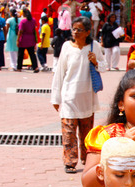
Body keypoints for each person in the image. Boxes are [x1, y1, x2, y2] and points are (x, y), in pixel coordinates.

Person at [51, 16, 107, 174]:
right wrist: (56, 98)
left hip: (87, 98)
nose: (75, 32)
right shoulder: (67, 47)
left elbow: (104, 67)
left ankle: (86, 159)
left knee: (86, 133)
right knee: (68, 133)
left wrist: (96, 61)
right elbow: (60, 73)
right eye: (73, 29)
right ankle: (70, 162)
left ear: (88, 31)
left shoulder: (94, 46)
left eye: (79, 30)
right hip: (69, 97)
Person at [16, 8, 38, 73]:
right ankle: (35, 67)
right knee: (32, 54)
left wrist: (17, 40)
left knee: (20, 54)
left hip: (23, 39)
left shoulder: (23, 21)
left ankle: (19, 68)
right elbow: (35, 29)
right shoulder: (33, 20)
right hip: (31, 39)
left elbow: (20, 31)